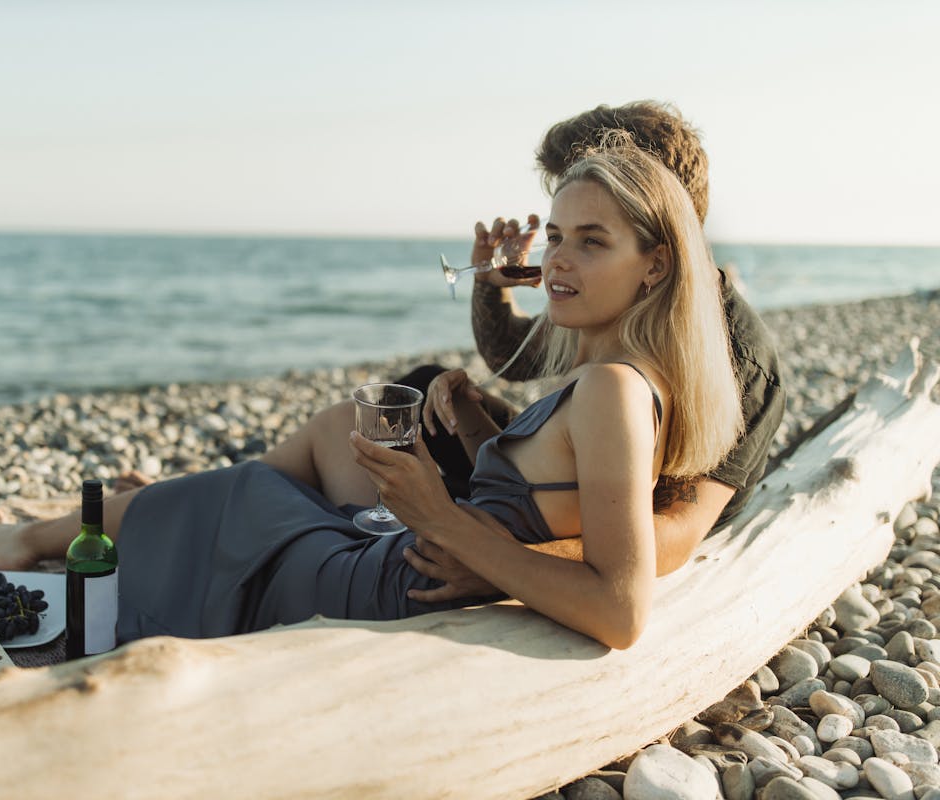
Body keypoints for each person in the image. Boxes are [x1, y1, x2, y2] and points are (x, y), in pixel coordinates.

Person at [0, 138, 743, 649]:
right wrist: (479, 429)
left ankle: (38, 539)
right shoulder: (619, 372)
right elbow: (548, 498)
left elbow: (620, 609)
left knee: (246, 493)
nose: (558, 261)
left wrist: (438, 513)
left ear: (655, 264)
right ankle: (71, 530)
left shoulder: (612, 387)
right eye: (557, 235)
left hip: (391, 588)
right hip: (414, 560)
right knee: (315, 446)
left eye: (593, 240)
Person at [255, 101, 783, 601]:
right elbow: (516, 357)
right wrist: (494, 284)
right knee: (421, 387)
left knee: (264, 510)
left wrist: (495, 563)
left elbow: (672, 534)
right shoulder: (616, 306)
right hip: (547, 502)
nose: (575, 195)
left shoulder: (739, 357)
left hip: (572, 544)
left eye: (593, 229)